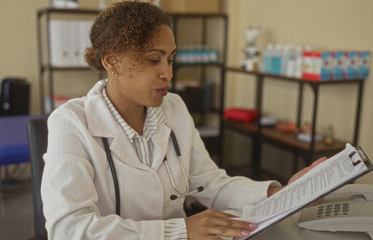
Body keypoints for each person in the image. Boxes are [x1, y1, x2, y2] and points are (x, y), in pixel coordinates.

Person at [40, 1, 326, 239]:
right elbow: (68, 229)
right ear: (111, 61)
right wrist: (178, 231)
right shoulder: (72, 122)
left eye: (171, 59)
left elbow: (211, 184)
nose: (168, 73)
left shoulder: (174, 108)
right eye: (154, 60)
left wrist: (281, 192)